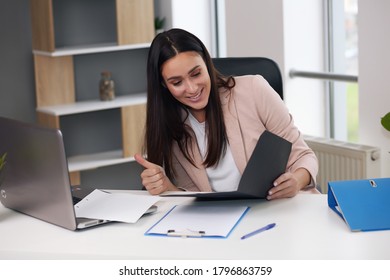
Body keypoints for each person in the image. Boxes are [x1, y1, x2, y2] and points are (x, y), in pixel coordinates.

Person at [134, 28, 318, 200]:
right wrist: (167, 187)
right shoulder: (170, 125)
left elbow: (303, 156)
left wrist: (296, 181)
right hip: (223, 222)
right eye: (177, 82)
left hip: (280, 208)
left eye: (196, 74)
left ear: (207, 64)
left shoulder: (254, 90)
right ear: (165, 85)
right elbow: (193, 198)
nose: (191, 88)